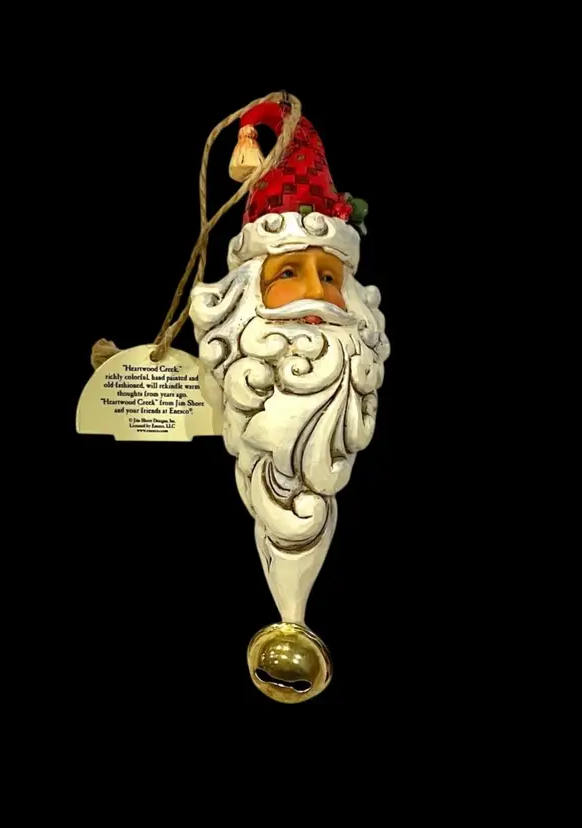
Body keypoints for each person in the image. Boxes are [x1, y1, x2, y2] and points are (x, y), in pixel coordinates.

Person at [189, 99, 390, 702]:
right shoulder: (239, 361)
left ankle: (294, 617)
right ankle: (288, 618)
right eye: (289, 273)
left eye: (330, 276)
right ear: (241, 301)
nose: (317, 294)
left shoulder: (350, 357)